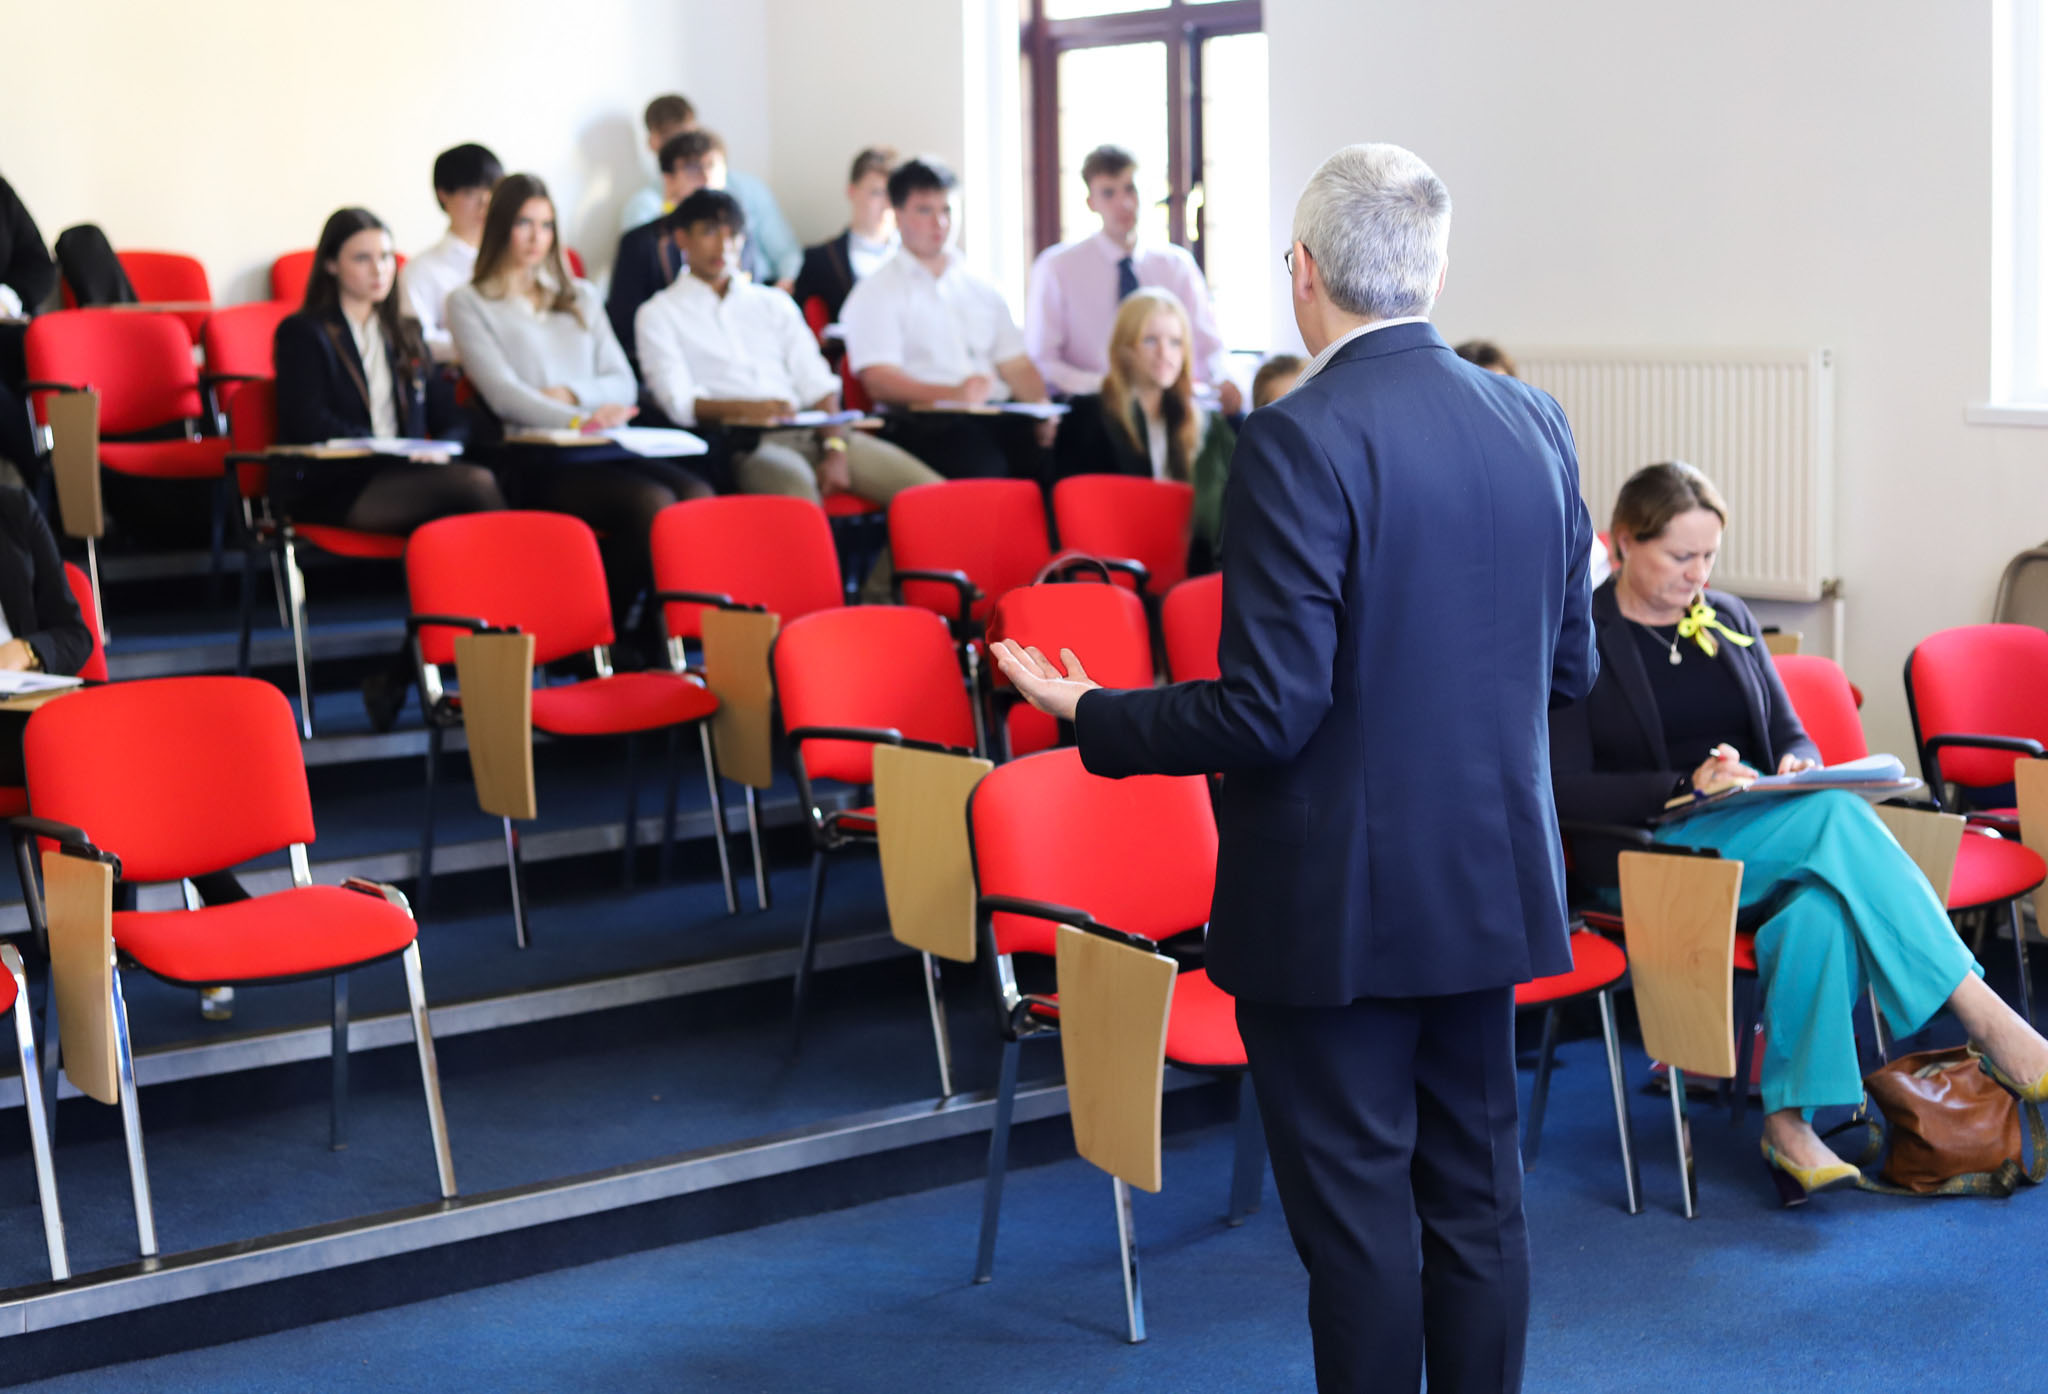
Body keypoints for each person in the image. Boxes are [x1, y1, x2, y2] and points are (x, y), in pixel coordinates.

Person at [994, 143, 1591, 1394]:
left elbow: (1271, 711)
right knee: (1477, 1202)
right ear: (1431, 267)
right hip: (1487, 880)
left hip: (1336, 908)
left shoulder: (1294, 436)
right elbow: (1569, 668)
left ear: (1303, 273)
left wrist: (1099, 711)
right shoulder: (1532, 419)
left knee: (1360, 1225)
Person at [1550, 460, 2048, 1189]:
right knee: (1833, 825)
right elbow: (1563, 790)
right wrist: (1686, 783)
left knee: (1821, 910)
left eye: (1709, 555)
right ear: (1624, 541)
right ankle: (1988, 1021)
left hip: (1762, 832)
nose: (1698, 575)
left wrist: (1791, 761)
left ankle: (1789, 1127)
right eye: (1679, 556)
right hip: (1656, 850)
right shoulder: (1578, 637)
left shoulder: (1731, 616)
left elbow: (1792, 733)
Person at [447, 174, 710, 633]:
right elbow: (505, 394)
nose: (536, 238)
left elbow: (623, 384)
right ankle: (595, 635)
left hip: (604, 445)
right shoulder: (469, 302)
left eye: (546, 226)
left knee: (696, 497)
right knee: (650, 502)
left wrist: (575, 399)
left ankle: (652, 637)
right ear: (500, 227)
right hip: (538, 457)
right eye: (524, 224)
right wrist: (578, 417)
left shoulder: (579, 295)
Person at [636, 190, 938, 508]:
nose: (725, 246)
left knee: (932, 497)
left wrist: (835, 448)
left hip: (818, 432)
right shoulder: (659, 313)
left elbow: (819, 385)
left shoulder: (773, 303)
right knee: (800, 504)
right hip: (749, 444)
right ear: (682, 238)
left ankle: (899, 561)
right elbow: (679, 403)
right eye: (710, 232)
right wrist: (747, 409)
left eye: (734, 235)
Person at [273, 207, 506, 531]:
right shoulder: (304, 332)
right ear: (330, 264)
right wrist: (385, 447)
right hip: (336, 484)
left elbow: (448, 412)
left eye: (385, 257)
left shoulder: (403, 331)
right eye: (362, 259)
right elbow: (309, 421)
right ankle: (514, 580)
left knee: (495, 472)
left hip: (400, 472)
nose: (379, 269)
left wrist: (443, 448)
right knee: (474, 485)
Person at [839, 157, 1056, 480]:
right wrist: (951, 393)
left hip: (995, 413)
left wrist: (1042, 408)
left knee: (1065, 455)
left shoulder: (982, 285)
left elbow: (1016, 364)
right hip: (926, 423)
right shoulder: (876, 291)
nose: (939, 223)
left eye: (948, 211)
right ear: (897, 215)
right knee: (985, 465)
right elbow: (880, 381)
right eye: (925, 210)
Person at [1025, 144, 1241, 416]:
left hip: (1170, 403)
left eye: (1130, 189)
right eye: (1108, 193)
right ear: (1091, 202)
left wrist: (1222, 378)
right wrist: (1109, 386)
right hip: (1094, 405)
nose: (1124, 203)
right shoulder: (1057, 267)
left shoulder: (1177, 265)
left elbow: (1208, 346)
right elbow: (1043, 360)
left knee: (1237, 424)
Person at [1052, 287, 1235, 571]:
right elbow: (1070, 512)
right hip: (1114, 569)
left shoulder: (1205, 423)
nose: (1165, 353)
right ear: (1124, 349)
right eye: (1150, 340)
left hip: (1190, 568)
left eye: (1175, 342)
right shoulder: (1089, 416)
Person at [608, 129, 766, 370]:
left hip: (740, 362)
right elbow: (625, 328)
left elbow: (752, 310)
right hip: (671, 363)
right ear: (668, 180)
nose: (705, 177)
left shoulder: (740, 237)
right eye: (692, 168)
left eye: (712, 166)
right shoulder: (641, 243)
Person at [621, 94, 802, 289]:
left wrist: (779, 291)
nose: (704, 177)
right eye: (670, 138)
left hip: (755, 290)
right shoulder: (645, 209)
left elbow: (784, 251)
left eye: (709, 166)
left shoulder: (746, 194)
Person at [399, 143, 502, 365]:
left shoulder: (511, 259)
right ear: (444, 195)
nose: (484, 204)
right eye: (471, 193)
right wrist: (482, 349)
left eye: (491, 193)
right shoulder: (421, 270)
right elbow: (420, 341)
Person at [792, 146, 899, 324]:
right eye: (877, 193)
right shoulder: (819, 259)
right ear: (852, 191)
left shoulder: (915, 258)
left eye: (893, 195)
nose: (887, 204)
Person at [0, 174, 56, 483]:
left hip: (7, 328)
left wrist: (6, 298)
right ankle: (48, 483)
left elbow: (38, 263)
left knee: (45, 355)